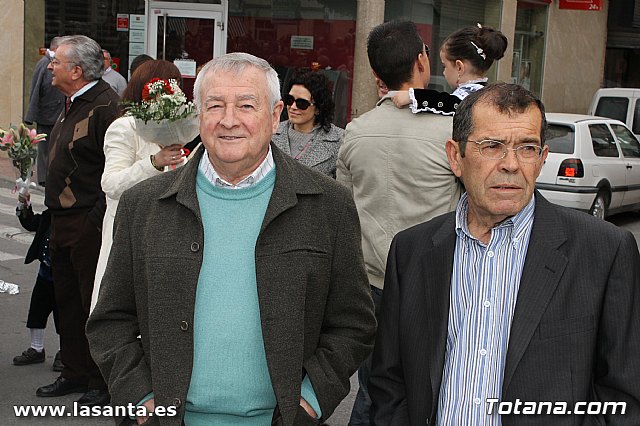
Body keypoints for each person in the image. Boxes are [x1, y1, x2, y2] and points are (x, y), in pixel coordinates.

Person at [87, 52, 376, 425]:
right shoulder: (143, 205)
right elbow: (110, 321)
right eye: (215, 105)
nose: (229, 120)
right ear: (197, 116)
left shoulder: (327, 205)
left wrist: (308, 403)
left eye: (246, 105)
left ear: (275, 117)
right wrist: (142, 403)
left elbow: (353, 324)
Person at [369, 82, 640, 425]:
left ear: (542, 159)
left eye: (526, 148)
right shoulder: (412, 250)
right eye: (492, 146)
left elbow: (624, 398)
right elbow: (389, 380)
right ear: (456, 156)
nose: (511, 164)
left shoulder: (604, 252)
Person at [336, 20, 463, 425]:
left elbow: (345, 208)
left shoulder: (355, 133)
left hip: (371, 283)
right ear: (423, 60)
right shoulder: (451, 130)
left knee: (374, 388)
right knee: (432, 386)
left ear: (376, 74)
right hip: (435, 280)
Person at [37, 35, 119, 407]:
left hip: (88, 220)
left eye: (56, 61)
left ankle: (101, 382)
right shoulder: (70, 101)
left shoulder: (105, 105)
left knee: (92, 304)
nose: (49, 66)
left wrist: (95, 221)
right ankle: (72, 371)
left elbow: (113, 170)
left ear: (76, 70)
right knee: (66, 300)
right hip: (61, 220)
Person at [90, 60, 187, 312]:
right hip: (128, 229)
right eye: (169, 86)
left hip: (164, 229)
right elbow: (110, 184)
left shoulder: (172, 130)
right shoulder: (124, 128)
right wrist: (154, 162)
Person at [393, 24, 508, 114]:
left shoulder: (472, 95)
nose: (444, 72)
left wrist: (414, 96)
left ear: (459, 67)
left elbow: (451, 103)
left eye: (445, 66)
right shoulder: (486, 92)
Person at [12, 192, 63, 373]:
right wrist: (24, 206)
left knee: (63, 316)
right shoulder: (48, 216)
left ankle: (65, 351)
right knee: (37, 311)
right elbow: (30, 222)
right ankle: (36, 348)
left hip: (63, 277)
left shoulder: (73, 219)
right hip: (44, 274)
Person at [272, 69, 344, 178]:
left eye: (302, 103)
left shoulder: (340, 140)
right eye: (290, 100)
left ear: (318, 109)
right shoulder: (270, 133)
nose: (293, 107)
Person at [24, 36, 65, 186]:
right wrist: (31, 115)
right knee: (45, 149)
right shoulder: (43, 63)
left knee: (53, 148)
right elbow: (35, 90)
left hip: (56, 113)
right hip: (47, 113)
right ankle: (43, 178)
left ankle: (50, 176)